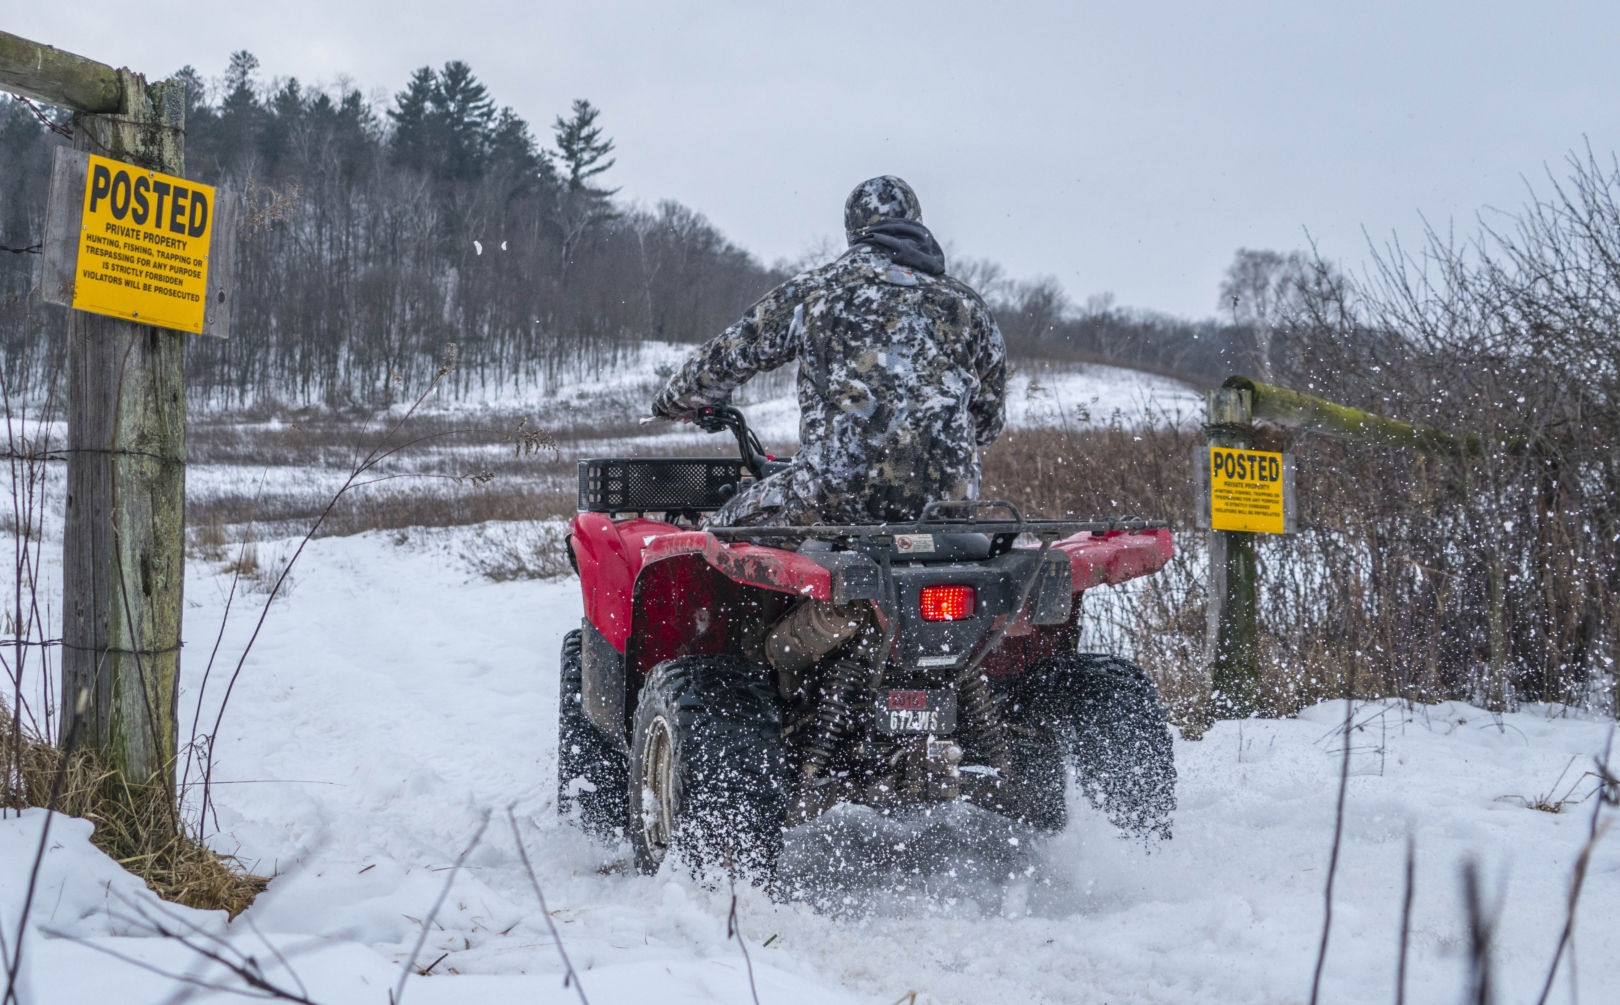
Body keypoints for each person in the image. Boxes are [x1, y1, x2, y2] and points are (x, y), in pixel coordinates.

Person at [651, 176, 1006, 526]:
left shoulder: (818, 291)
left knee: (713, 537)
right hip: (948, 509)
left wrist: (671, 403)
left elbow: (728, 356)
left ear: (854, 230)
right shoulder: (966, 304)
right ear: (915, 224)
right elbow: (988, 424)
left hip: (830, 502)